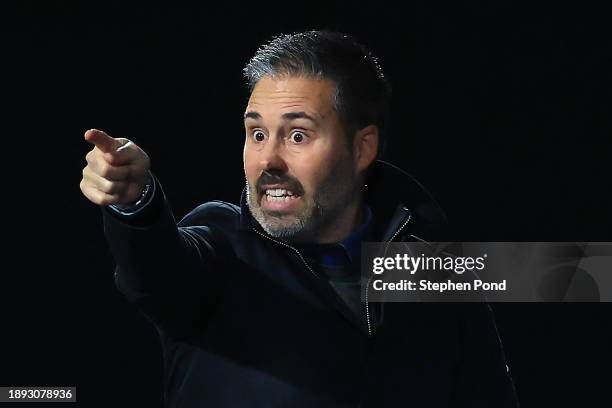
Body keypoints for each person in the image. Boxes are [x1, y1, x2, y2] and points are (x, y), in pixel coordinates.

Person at [80, 30, 518, 407]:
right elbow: (154, 270)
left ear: (362, 148)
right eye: (256, 133)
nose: (268, 159)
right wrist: (135, 202)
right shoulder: (220, 246)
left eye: (297, 135)